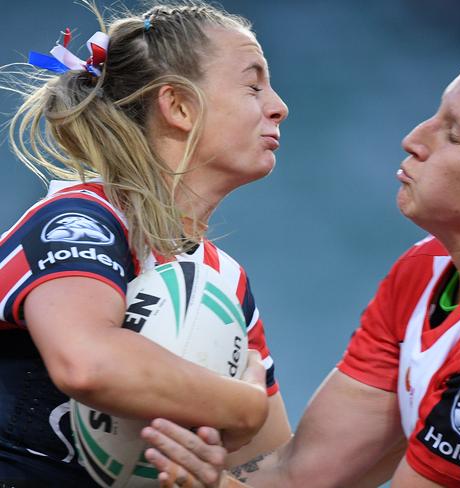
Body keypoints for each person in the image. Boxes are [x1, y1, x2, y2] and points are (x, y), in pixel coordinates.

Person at [142, 8, 460, 488]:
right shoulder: (430, 266)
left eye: (453, 135)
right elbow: (305, 474)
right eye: (436, 114)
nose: (414, 138)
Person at [0, 1, 291, 485]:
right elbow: (87, 362)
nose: (279, 105)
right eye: (253, 85)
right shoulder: (81, 219)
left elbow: (276, 474)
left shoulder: (227, 282)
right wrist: (242, 406)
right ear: (177, 106)